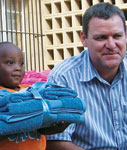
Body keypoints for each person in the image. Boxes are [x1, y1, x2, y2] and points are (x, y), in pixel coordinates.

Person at [46, 2, 127, 150]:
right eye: (101, 37)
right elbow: (56, 142)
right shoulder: (63, 78)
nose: (111, 44)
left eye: (117, 36)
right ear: (84, 39)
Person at [0, 42, 47, 150]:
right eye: (10, 63)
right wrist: (3, 131)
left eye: (21, 64)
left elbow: (44, 125)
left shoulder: (32, 91)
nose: (18, 68)